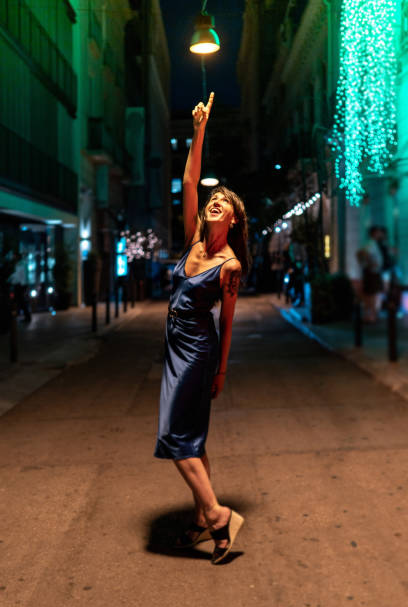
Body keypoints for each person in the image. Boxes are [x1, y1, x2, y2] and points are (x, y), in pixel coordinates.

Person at [154, 92, 248, 564]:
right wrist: (198, 130)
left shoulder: (228, 266)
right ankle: (202, 525)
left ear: (233, 218)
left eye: (221, 203)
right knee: (193, 440)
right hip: (174, 347)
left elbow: (227, 324)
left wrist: (221, 372)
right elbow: (190, 179)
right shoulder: (193, 237)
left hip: (197, 351)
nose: (213, 203)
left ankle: (216, 514)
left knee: (174, 436)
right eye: (212, 200)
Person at [356, 226, 384, 323]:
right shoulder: (371, 244)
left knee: (372, 293)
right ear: (374, 233)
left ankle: (371, 315)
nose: (381, 234)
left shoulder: (373, 244)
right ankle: (371, 316)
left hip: (373, 272)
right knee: (372, 294)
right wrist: (369, 263)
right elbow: (361, 253)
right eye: (379, 232)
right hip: (372, 273)